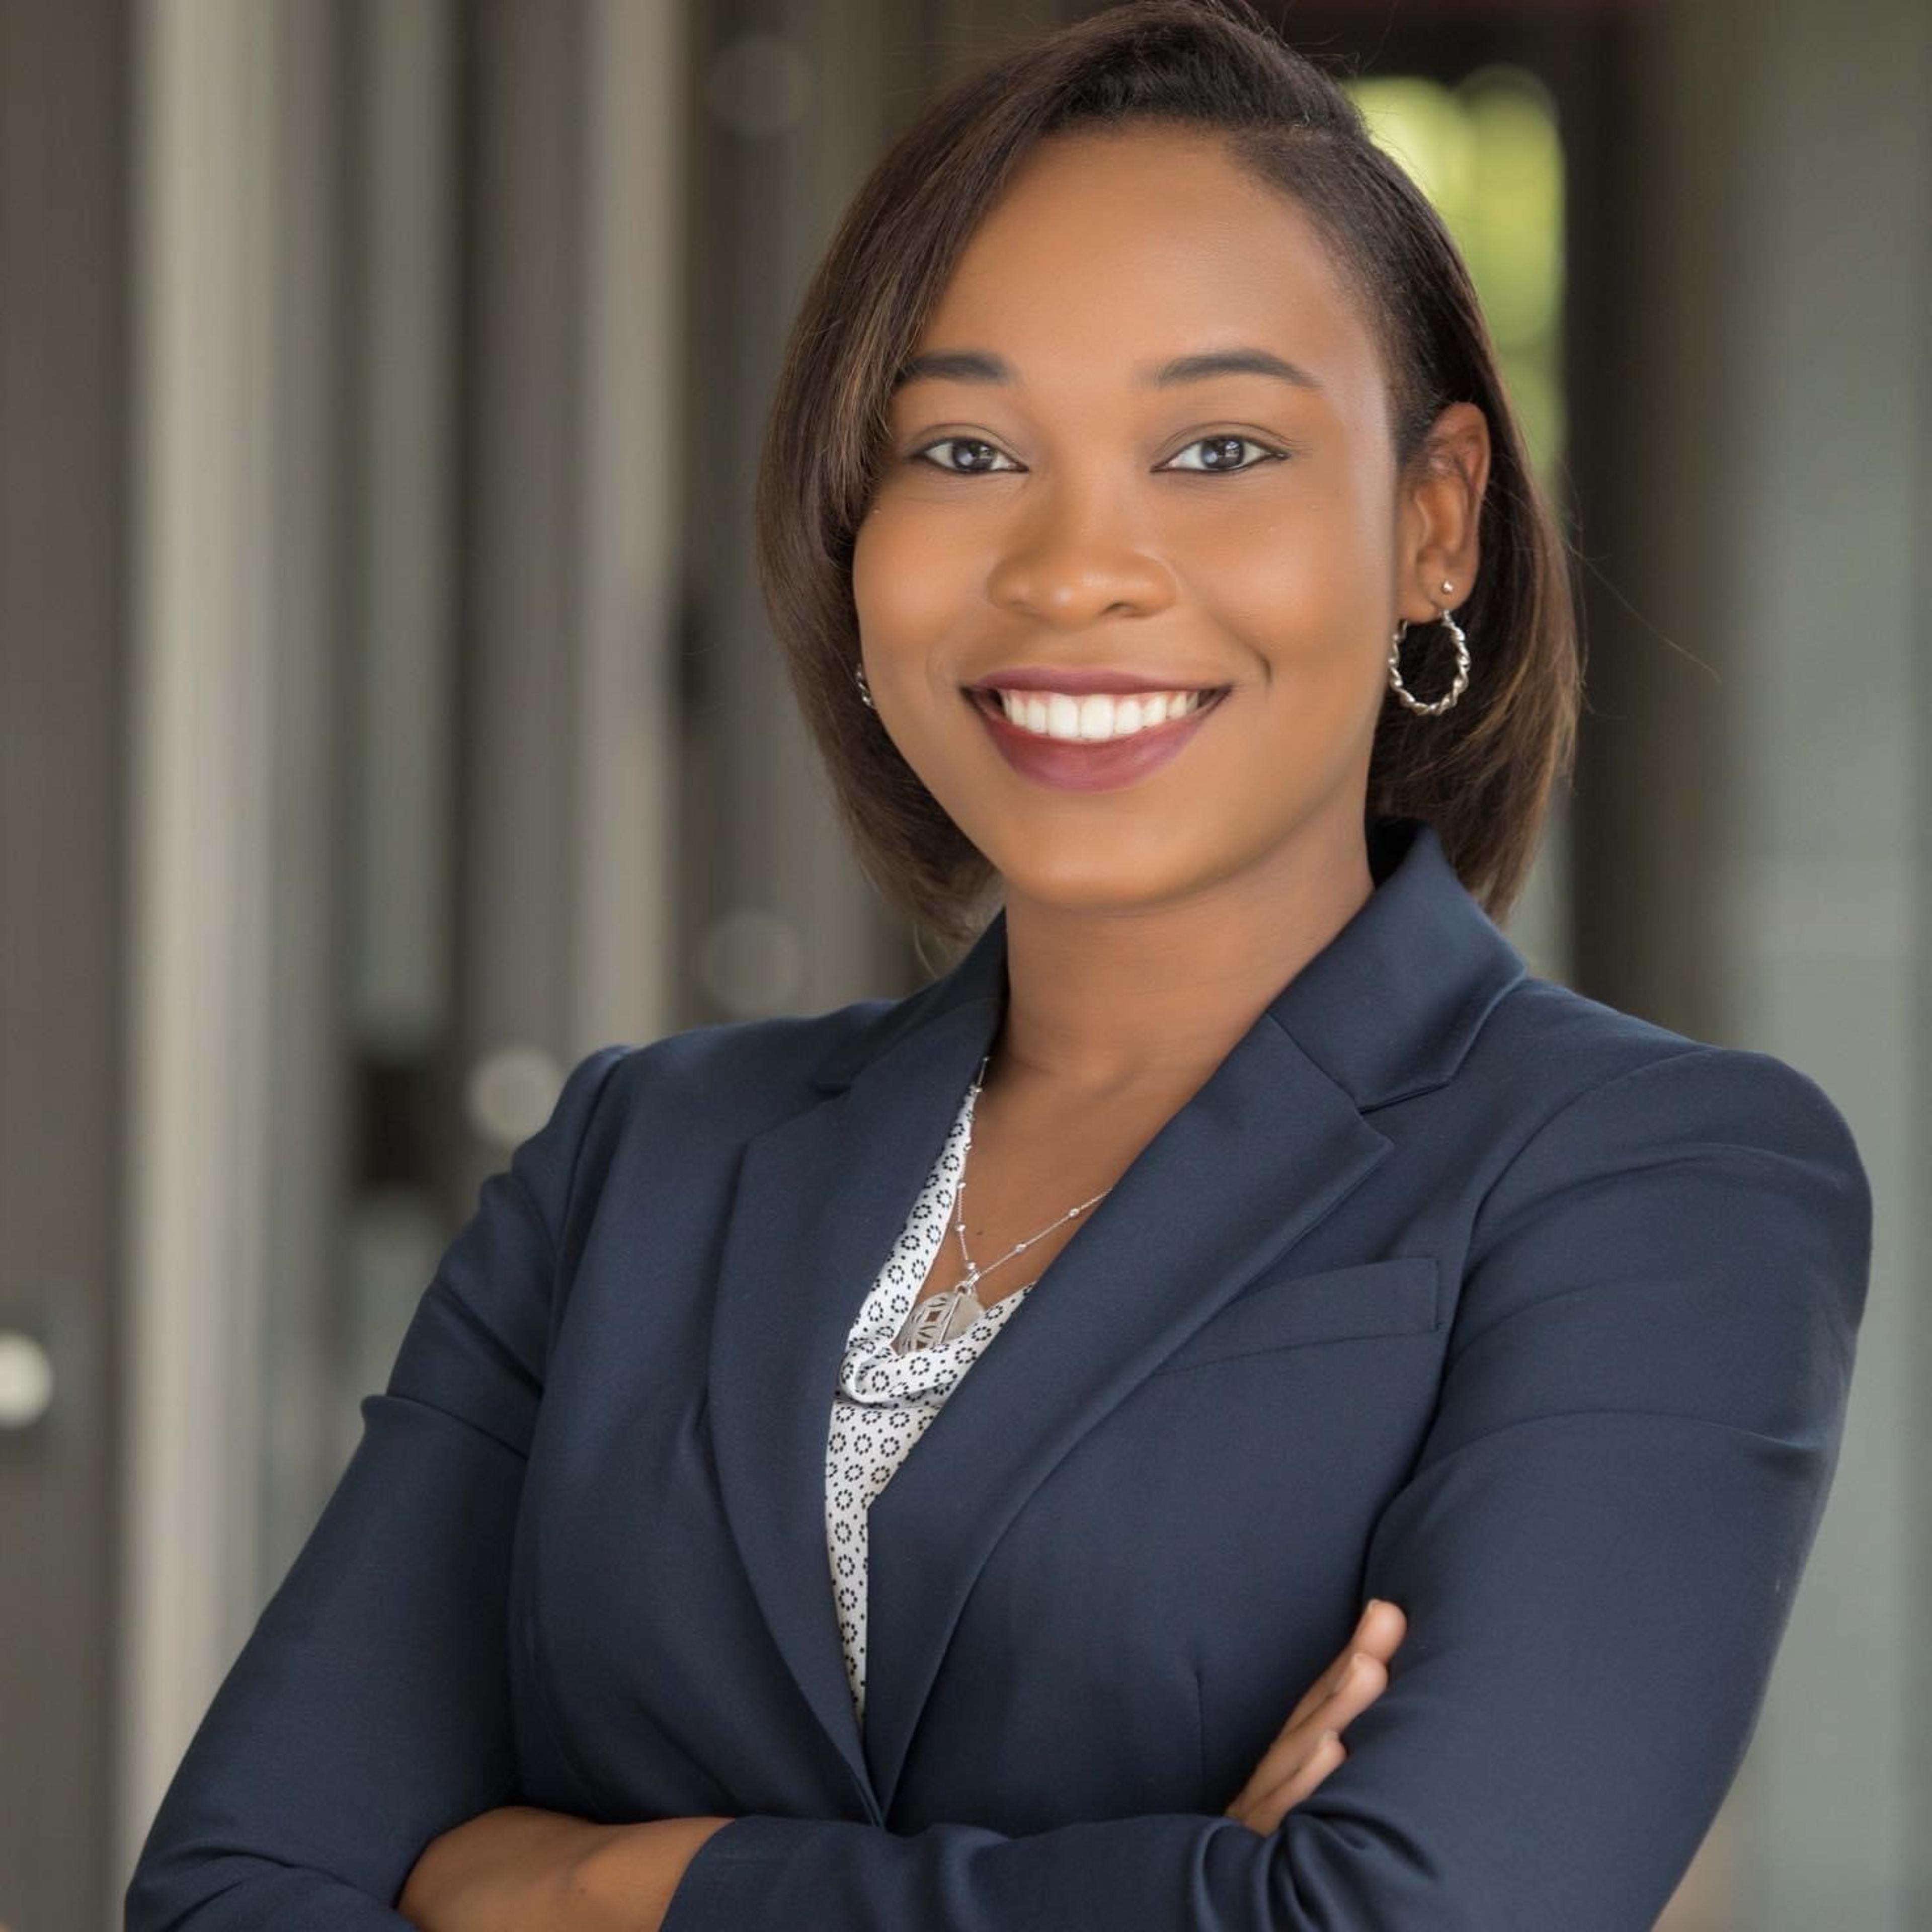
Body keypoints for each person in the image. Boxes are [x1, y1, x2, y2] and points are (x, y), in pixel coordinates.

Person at [124, 3, 1873, 1927]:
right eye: (965, 446)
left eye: (1217, 447)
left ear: (1433, 523)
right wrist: (1178, 1882)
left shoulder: (1660, 1178)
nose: (1069, 571)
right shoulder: (639, 1159)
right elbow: (234, 1893)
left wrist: (599, 1887)